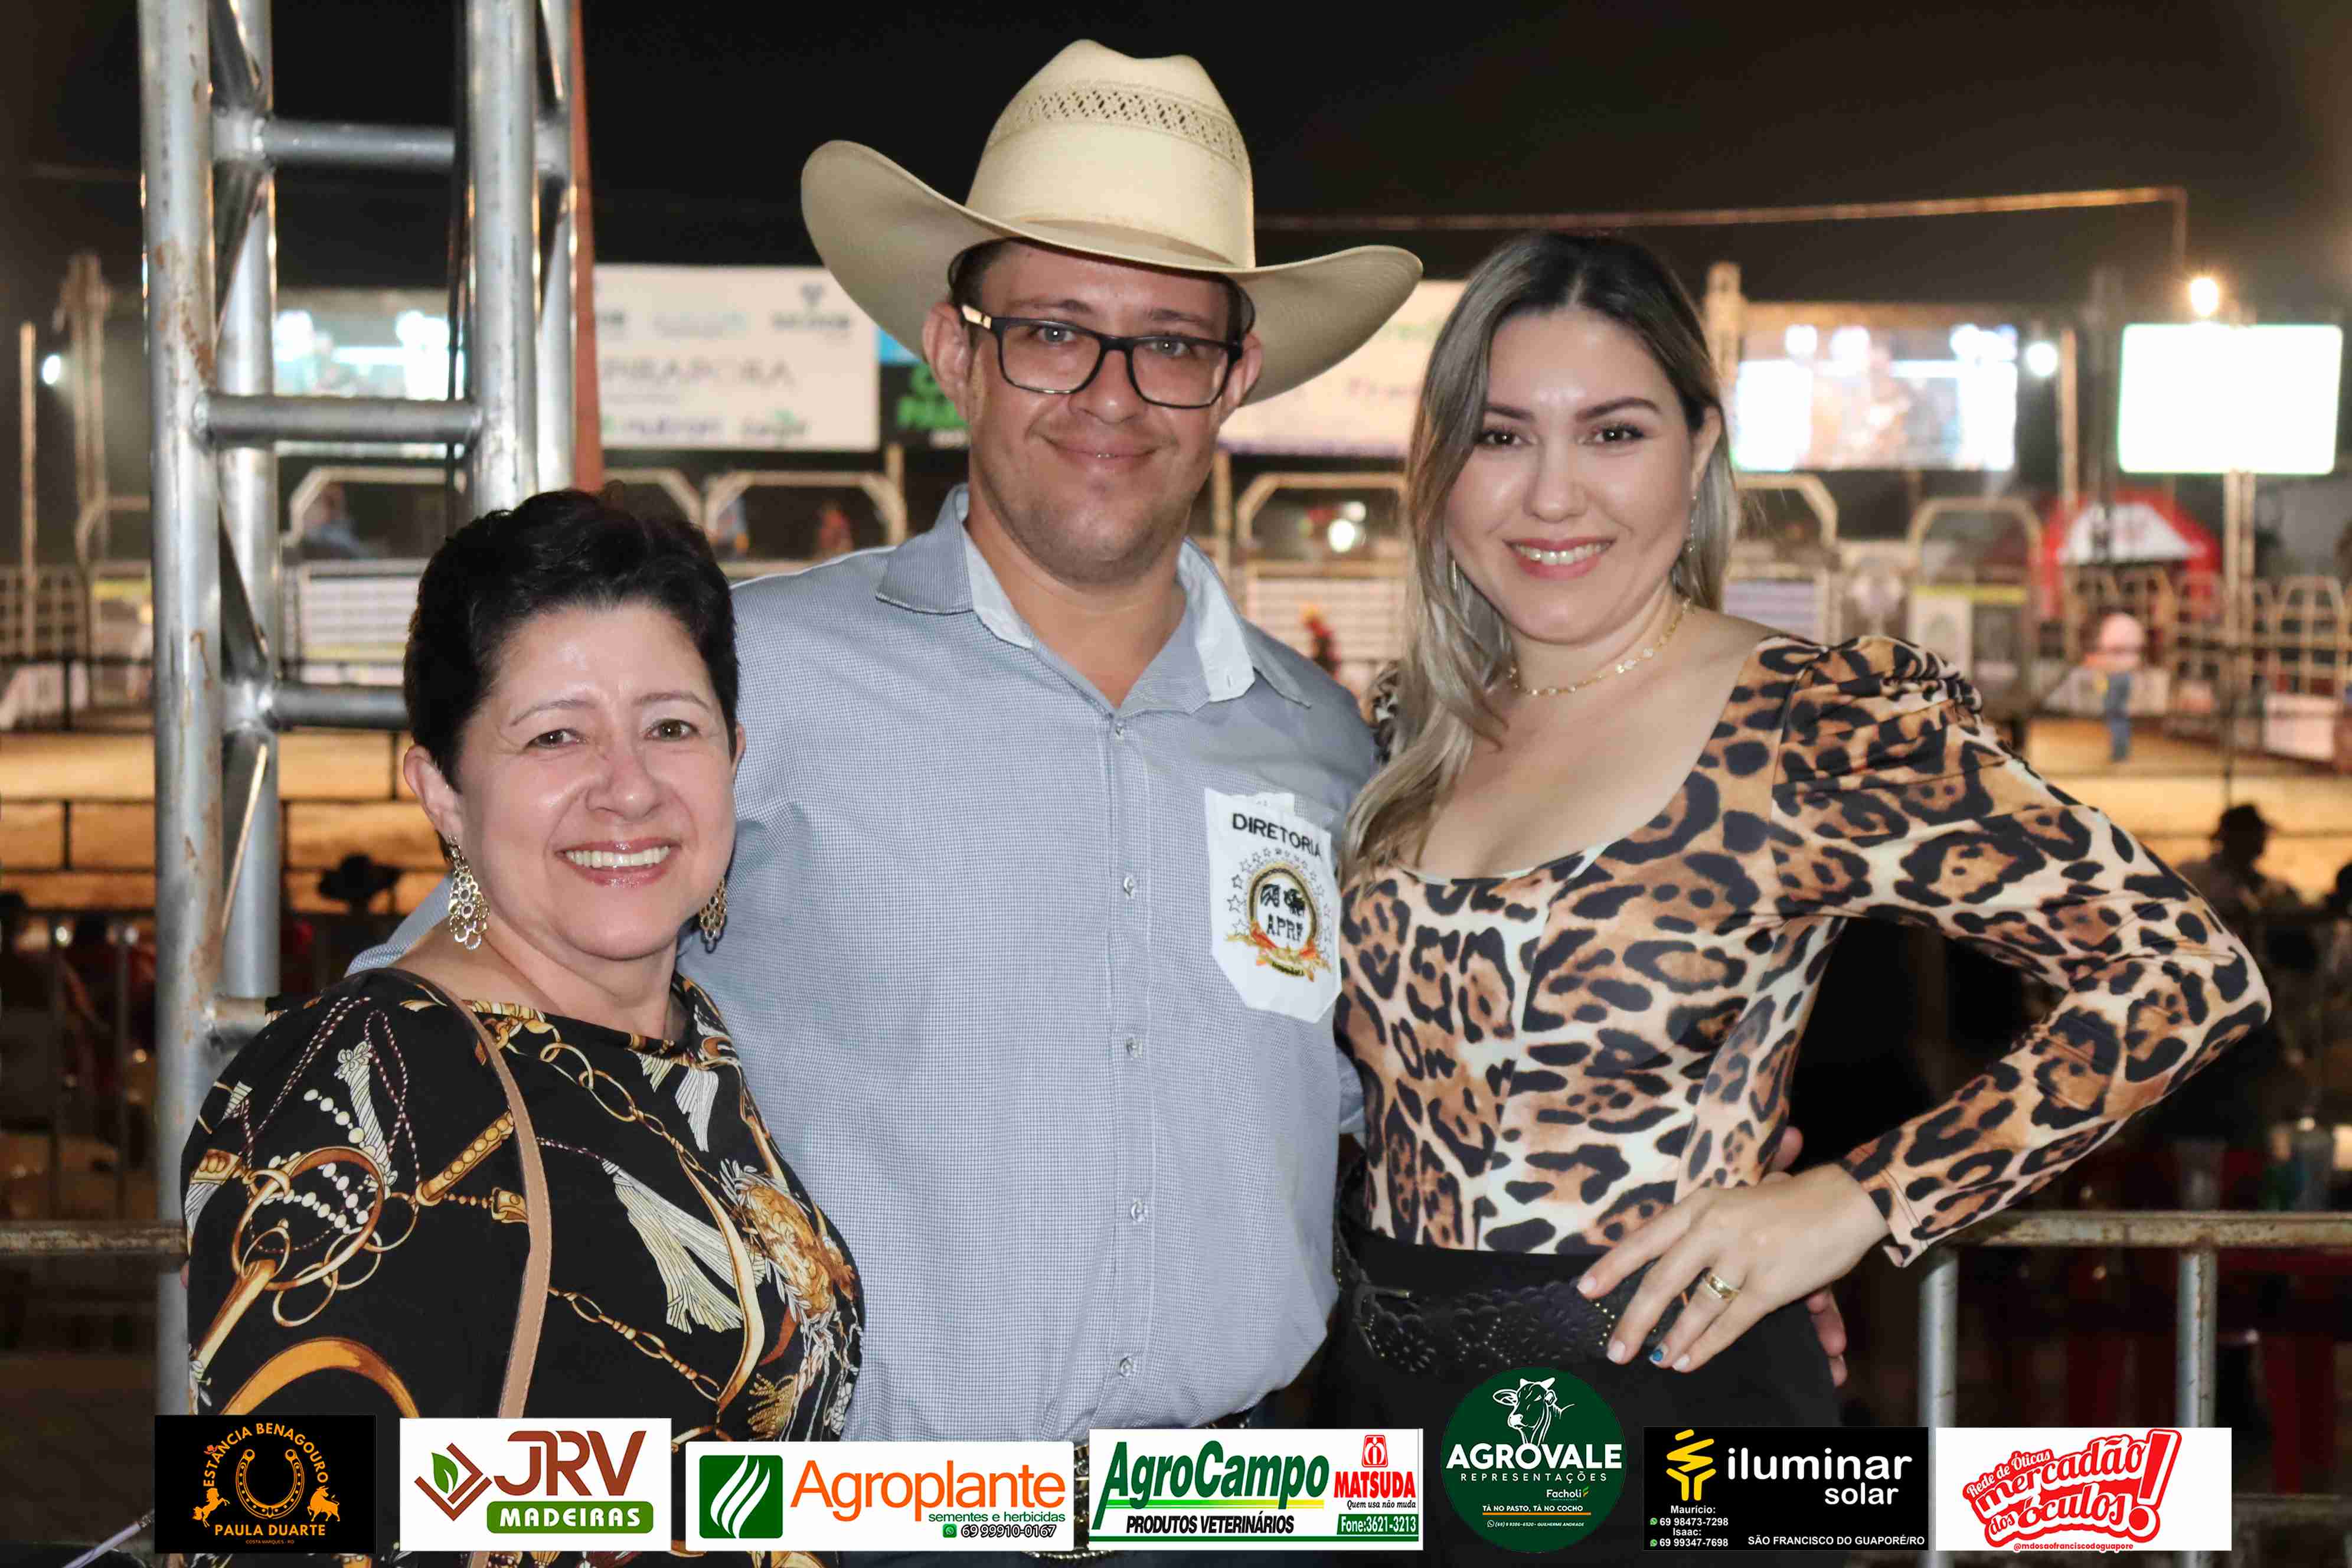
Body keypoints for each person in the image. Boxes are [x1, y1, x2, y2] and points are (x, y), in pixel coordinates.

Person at [359, 41, 1423, 1557]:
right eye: (1052, 332)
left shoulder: (1326, 744)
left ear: (1234, 379)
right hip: (846, 1517)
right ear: (957, 347)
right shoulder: (752, 677)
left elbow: (1418, 1102)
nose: (1110, 394)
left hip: (1242, 1514)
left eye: (1170, 345)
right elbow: (463, 969)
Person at [1331, 233, 2271, 1563]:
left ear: (1699, 452)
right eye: (1500, 435)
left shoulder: (1812, 725)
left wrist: (1853, 1202)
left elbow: (2182, 975)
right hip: (1387, 1432)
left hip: (1679, 1438)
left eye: (1613, 432)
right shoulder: (1408, 730)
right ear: (1442, 463)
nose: (1551, 493)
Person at [185, 493, 860, 1560]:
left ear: (734, 755)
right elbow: (267, 1511)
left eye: (671, 728)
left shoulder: (694, 1042)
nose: (628, 790)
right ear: (443, 794)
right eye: (556, 737)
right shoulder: (374, 1078)